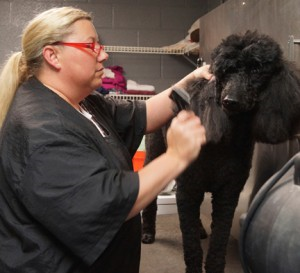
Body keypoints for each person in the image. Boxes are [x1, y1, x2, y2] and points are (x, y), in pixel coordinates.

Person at [0, 6, 212, 273]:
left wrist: (191, 81)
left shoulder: (82, 101)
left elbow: (141, 115)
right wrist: (176, 156)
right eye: (91, 46)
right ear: (53, 55)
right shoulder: (41, 130)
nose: (104, 54)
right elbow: (108, 202)